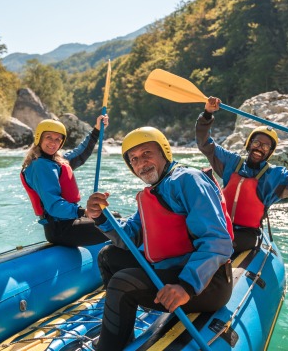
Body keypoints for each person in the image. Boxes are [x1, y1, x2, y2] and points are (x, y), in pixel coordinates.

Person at [86, 127, 233, 351]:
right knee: (109, 256)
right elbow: (130, 238)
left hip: (207, 283)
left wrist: (186, 286)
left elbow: (217, 240)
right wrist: (100, 218)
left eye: (147, 153)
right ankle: (120, 332)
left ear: (164, 152)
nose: (141, 163)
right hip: (170, 270)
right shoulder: (153, 191)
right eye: (134, 159)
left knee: (122, 283)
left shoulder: (188, 180)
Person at [196, 96, 288, 254]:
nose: (259, 148)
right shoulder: (231, 162)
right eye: (256, 143)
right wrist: (207, 113)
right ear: (249, 145)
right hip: (220, 226)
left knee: (219, 245)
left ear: (270, 152)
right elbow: (204, 143)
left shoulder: (275, 176)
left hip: (246, 234)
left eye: (265, 146)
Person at [21, 117, 109, 246]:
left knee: (113, 216)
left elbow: (80, 153)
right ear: (39, 138)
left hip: (68, 222)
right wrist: (83, 211)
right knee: (114, 224)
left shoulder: (55, 162)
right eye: (49, 137)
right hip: (61, 229)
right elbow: (54, 206)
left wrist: (97, 130)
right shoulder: (40, 166)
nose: (53, 143)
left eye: (58, 139)